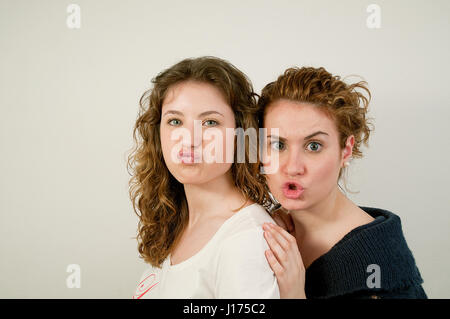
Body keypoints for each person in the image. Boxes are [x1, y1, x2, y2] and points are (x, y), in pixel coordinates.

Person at [257, 66, 427, 299]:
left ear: (345, 150)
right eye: (278, 145)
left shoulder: (378, 270)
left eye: (313, 146)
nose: (293, 167)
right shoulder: (268, 229)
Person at [127, 56, 280, 299]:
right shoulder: (174, 221)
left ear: (241, 135)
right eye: (175, 121)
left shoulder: (245, 239)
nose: (189, 139)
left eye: (210, 122)